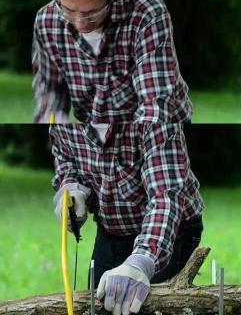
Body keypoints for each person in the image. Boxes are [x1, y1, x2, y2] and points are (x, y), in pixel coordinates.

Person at [51, 123, 204, 315]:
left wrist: (140, 263)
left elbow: (165, 197)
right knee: (101, 306)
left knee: (144, 308)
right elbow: (66, 158)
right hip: (111, 230)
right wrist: (72, 189)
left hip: (170, 233)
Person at [32, 0, 192, 124]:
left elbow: (156, 102)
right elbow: (50, 89)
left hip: (157, 127)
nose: (80, 24)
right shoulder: (47, 20)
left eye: (91, 13)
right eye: (68, 10)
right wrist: (53, 118)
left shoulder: (146, 11)